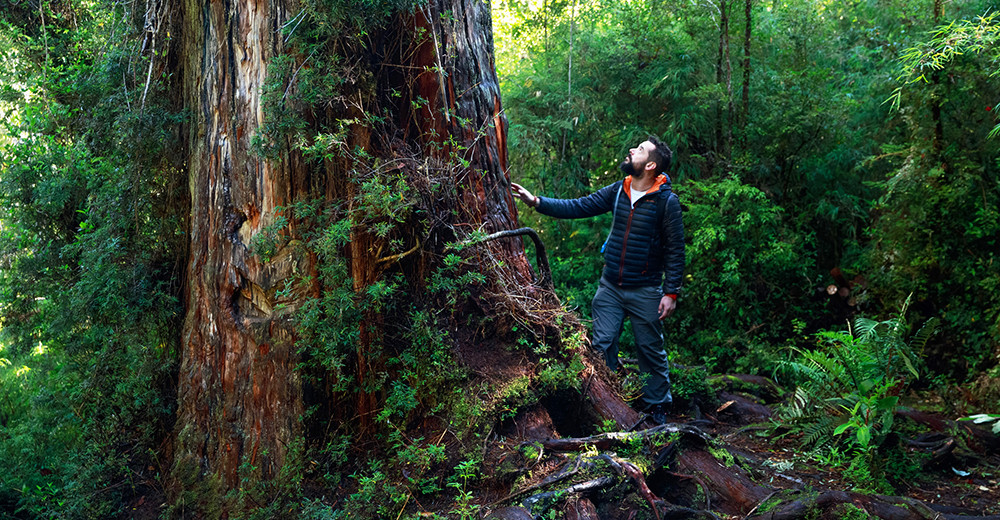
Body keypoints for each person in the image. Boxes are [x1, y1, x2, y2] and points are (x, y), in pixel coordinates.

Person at [511, 136, 685, 424]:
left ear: (651, 164)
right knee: (601, 346)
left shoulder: (666, 203)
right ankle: (608, 407)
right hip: (610, 288)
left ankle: (657, 411)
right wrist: (537, 202)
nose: (632, 149)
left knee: (650, 351)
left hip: (646, 290)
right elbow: (579, 206)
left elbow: (675, 250)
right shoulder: (619, 190)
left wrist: (671, 292)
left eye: (639, 149)